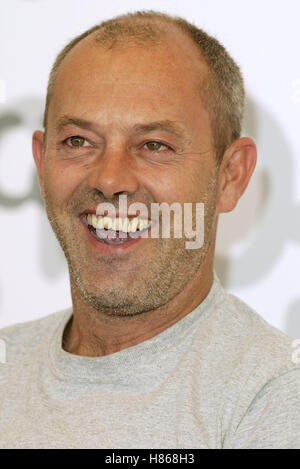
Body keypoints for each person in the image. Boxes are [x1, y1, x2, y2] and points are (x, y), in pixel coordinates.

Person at [0, 10, 299, 449]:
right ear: (42, 164)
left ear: (231, 176)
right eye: (78, 141)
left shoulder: (274, 397)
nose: (109, 179)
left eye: (154, 145)